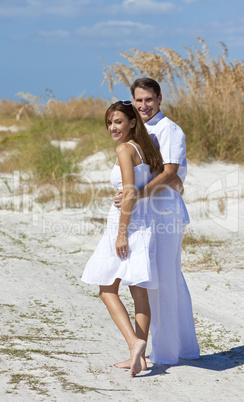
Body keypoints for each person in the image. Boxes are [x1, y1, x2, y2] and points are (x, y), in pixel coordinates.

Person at [82, 101, 181, 377]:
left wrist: (121, 233)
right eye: (109, 123)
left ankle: (135, 343)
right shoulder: (145, 148)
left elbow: (128, 192)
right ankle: (139, 359)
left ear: (132, 123)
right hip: (144, 224)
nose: (113, 127)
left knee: (106, 289)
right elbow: (154, 183)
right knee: (139, 292)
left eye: (118, 122)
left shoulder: (125, 149)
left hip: (126, 224)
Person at [114, 78, 200, 368]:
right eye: (138, 101)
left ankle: (167, 353)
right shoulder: (139, 130)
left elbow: (171, 173)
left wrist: (136, 195)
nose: (143, 106)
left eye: (148, 100)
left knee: (165, 279)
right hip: (146, 215)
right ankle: (181, 349)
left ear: (159, 98)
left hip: (166, 214)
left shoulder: (169, 130)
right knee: (157, 280)